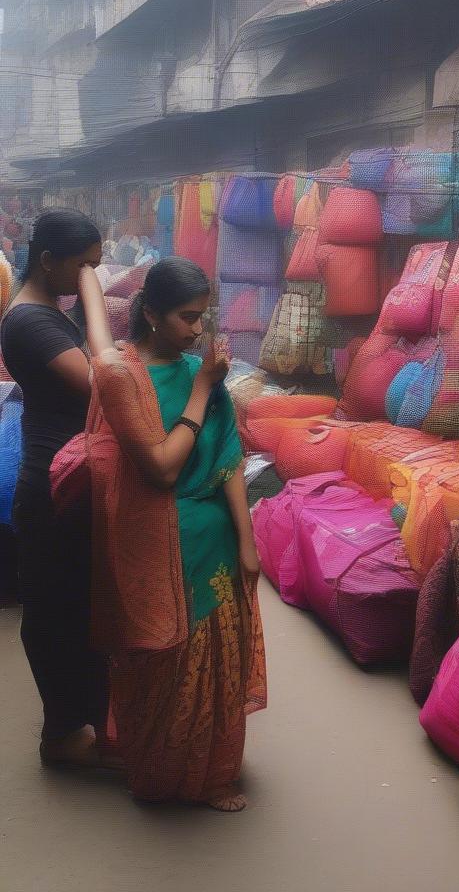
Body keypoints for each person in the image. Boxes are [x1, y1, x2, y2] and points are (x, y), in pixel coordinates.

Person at [77, 256, 266, 811]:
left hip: (217, 544)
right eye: (187, 318)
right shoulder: (126, 377)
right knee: (165, 664)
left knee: (217, 662)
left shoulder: (199, 372)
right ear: (152, 314)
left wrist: (248, 543)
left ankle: (212, 772)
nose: (196, 331)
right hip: (158, 542)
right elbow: (161, 469)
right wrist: (204, 386)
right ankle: (165, 766)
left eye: (203, 318)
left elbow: (229, 455)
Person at [0, 210, 109, 767]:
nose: (91, 275)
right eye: (84, 265)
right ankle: (62, 737)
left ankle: (81, 724)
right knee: (54, 611)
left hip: (69, 477)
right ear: (48, 261)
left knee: (76, 605)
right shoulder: (29, 322)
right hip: (51, 485)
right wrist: (96, 301)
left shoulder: (47, 313)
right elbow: (103, 385)